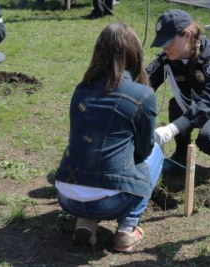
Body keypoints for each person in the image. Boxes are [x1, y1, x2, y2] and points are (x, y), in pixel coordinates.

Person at [54, 23, 162, 253]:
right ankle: (127, 228)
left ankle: (85, 221)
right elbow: (144, 150)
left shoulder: (81, 89)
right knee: (157, 152)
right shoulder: (142, 94)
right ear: (134, 54)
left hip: (66, 196)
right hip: (111, 201)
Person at [146, 9, 210, 173]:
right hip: (193, 102)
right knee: (176, 105)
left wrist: (172, 128)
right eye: (162, 43)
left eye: (169, 42)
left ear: (187, 35)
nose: (165, 48)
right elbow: (145, 85)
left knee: (208, 139)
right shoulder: (168, 57)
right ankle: (181, 154)